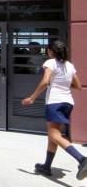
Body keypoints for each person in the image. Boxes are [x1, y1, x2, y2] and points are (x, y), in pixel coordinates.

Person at [22, 39, 87, 179]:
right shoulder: (69, 65)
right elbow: (78, 86)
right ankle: (46, 166)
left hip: (55, 102)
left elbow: (45, 82)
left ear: (51, 51)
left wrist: (32, 98)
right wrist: (63, 84)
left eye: (48, 50)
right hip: (67, 103)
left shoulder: (50, 62)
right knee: (53, 134)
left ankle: (82, 159)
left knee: (54, 135)